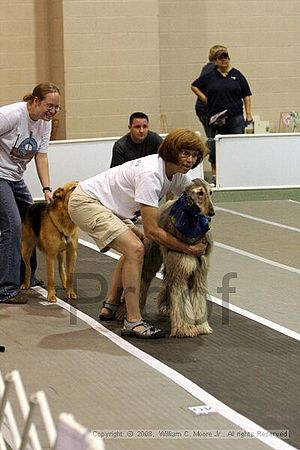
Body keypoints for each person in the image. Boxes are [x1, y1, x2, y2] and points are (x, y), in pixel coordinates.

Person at [68, 128, 208, 339]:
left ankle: (111, 304)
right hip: (87, 202)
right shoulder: (151, 174)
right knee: (136, 248)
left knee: (134, 243)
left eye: (194, 155)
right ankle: (133, 321)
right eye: (185, 153)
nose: (190, 160)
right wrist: (188, 248)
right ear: (172, 151)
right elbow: (152, 230)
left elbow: (194, 200)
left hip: (110, 207)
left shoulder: (178, 175)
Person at [0, 82, 61, 304]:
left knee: (32, 220)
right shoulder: (11, 115)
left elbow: (41, 156)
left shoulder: (44, 124)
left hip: (16, 178)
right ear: (35, 101)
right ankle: (5, 288)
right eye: (49, 106)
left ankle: (25, 277)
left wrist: (46, 188)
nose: (52, 111)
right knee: (13, 225)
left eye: (57, 108)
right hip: (0, 176)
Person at [191, 48, 253, 184]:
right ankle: (215, 175)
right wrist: (205, 99)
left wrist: (248, 113)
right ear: (216, 61)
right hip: (216, 116)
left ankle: (236, 173)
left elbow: (246, 95)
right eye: (220, 58)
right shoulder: (210, 76)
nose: (223, 60)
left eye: (225, 57)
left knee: (236, 144)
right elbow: (194, 86)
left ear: (229, 59)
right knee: (214, 144)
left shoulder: (237, 75)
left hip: (235, 115)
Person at [192, 45, 227, 139]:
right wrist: (207, 100)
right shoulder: (212, 69)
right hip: (207, 110)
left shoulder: (210, 68)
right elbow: (195, 86)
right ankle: (212, 153)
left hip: (206, 109)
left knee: (214, 137)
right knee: (214, 138)